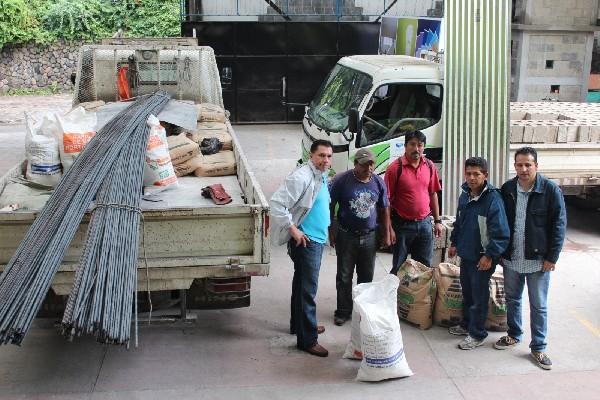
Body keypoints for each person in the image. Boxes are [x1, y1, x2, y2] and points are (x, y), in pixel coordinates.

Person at [494, 146, 566, 370]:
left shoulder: (550, 191)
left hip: (538, 260)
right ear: (514, 166)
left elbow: (559, 225)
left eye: (528, 165)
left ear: (536, 166)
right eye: (519, 165)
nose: (523, 169)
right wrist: (499, 252)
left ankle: (539, 347)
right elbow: (500, 223)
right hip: (512, 258)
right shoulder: (507, 189)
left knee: (539, 305)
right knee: (513, 299)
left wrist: (552, 257)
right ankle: (514, 334)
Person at [269, 139, 333, 357]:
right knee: (308, 290)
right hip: (307, 242)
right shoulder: (301, 177)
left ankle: (300, 325)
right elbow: (276, 204)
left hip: (316, 238)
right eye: (321, 156)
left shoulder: (320, 175)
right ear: (311, 156)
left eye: (329, 156)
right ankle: (307, 340)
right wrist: (294, 229)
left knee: (301, 285)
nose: (326, 160)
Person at [447, 157, 510, 350]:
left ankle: (477, 334)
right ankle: (467, 325)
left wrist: (489, 256)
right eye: (468, 174)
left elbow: (501, 234)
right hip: (466, 254)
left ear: (486, 175)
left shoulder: (492, 199)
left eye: (477, 174)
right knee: (468, 293)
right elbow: (460, 221)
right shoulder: (465, 195)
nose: (472, 178)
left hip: (482, 258)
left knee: (478, 297)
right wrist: (454, 242)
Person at [329, 148, 391, 326]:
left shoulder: (378, 182)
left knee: (366, 277)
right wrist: (331, 229)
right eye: (364, 164)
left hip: (370, 237)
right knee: (344, 275)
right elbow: (331, 204)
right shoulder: (342, 181)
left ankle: (362, 311)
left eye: (371, 164)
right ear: (355, 164)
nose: (368, 168)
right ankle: (343, 311)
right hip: (346, 235)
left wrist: (386, 232)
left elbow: (384, 208)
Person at [384, 130, 442, 274]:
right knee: (399, 267)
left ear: (424, 147)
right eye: (412, 144)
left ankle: (419, 297)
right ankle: (397, 296)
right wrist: (388, 228)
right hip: (402, 225)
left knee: (424, 267)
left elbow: (433, 193)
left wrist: (437, 221)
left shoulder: (429, 166)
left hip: (424, 225)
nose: (416, 149)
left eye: (420, 145)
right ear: (405, 146)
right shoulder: (394, 169)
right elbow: (386, 202)